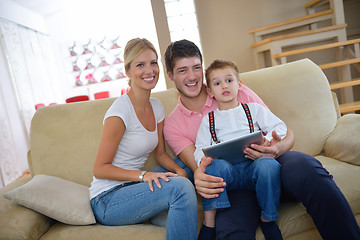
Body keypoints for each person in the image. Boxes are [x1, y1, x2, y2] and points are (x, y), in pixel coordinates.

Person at [163, 39, 360, 240]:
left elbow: (283, 131)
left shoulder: (234, 89)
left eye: (196, 68)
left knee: (307, 167)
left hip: (269, 166)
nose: (192, 76)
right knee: (231, 232)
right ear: (170, 75)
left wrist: (277, 148)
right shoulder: (173, 125)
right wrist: (199, 177)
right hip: (233, 185)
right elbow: (200, 167)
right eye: (182, 71)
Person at [89, 38, 197, 240]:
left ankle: (159, 212)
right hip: (108, 199)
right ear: (128, 72)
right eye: (140, 65)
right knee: (180, 187)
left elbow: (161, 154)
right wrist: (144, 175)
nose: (150, 70)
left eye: (153, 63)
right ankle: (164, 208)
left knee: (191, 163)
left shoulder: (156, 106)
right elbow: (100, 168)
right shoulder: (119, 112)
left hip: (134, 188)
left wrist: (180, 170)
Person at [194, 59, 285, 240]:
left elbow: (280, 127)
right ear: (210, 92)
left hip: (254, 167)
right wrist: (202, 162)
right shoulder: (208, 119)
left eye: (229, 80)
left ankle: (268, 219)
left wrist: (266, 141)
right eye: (217, 83)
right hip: (229, 174)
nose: (224, 86)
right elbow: (200, 148)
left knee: (269, 165)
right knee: (214, 169)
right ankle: (210, 223)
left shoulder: (254, 109)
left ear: (239, 84)